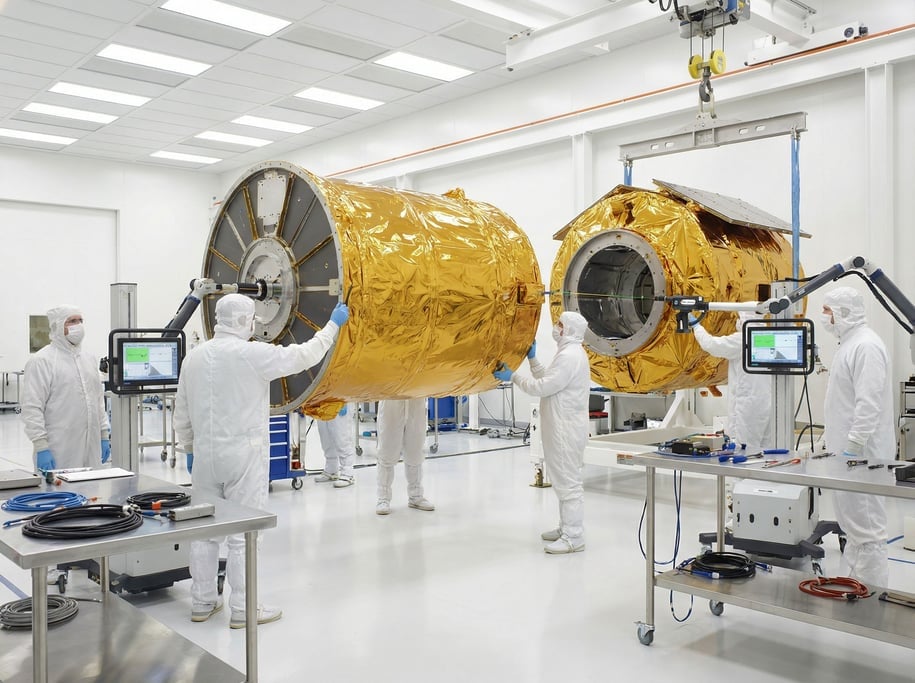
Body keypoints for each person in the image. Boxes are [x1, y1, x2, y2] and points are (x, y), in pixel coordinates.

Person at [174, 294, 349, 628]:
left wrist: (190, 449)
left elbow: (182, 410)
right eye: (252, 318)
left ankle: (202, 602)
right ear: (243, 321)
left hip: (206, 456)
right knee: (244, 534)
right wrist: (332, 325)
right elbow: (305, 355)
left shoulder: (194, 357)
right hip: (244, 454)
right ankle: (244, 608)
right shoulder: (251, 354)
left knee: (205, 532)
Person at [494, 311, 590, 554]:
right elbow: (550, 379)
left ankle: (574, 537)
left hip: (565, 430)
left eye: (560, 324)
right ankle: (566, 527)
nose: (556, 327)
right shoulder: (569, 353)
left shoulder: (570, 356)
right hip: (561, 427)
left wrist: (513, 377)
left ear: (568, 329)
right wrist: (533, 360)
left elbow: (543, 387)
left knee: (568, 483)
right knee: (562, 480)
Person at [820, 286, 892, 587]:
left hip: (862, 458)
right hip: (847, 457)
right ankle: (858, 583)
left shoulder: (866, 346)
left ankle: (872, 596)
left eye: (828, 311)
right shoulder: (849, 344)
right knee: (852, 525)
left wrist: (853, 446)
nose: (824, 317)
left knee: (867, 529)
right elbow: (842, 402)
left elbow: (869, 401)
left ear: (844, 313)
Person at [21, 305, 111, 473]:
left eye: (80, 321)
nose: (78, 325)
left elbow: (98, 401)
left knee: (93, 495)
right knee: (59, 496)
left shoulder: (89, 359)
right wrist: (41, 446)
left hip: (92, 447)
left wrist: (104, 434)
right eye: (71, 321)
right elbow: (32, 407)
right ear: (57, 326)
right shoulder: (42, 361)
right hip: (59, 449)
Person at [691, 311, 772, 454]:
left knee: (744, 450)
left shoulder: (742, 339)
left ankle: (742, 477)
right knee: (765, 448)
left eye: (740, 318)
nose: (737, 322)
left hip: (747, 406)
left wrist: (696, 326)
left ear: (746, 319)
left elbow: (711, 345)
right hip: (766, 403)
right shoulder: (768, 337)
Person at [375, 398, 435, 515]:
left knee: (415, 449)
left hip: (416, 400)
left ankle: (416, 496)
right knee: (387, 449)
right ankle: (383, 498)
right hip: (391, 402)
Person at [314, 404, 356, 488]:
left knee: (341, 436)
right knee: (325, 437)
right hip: (323, 401)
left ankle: (347, 473)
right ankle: (331, 469)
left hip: (340, 399)